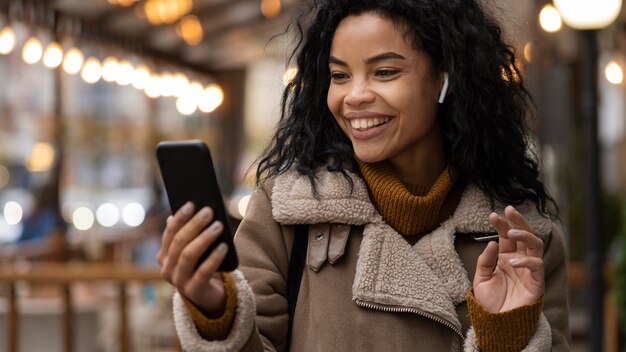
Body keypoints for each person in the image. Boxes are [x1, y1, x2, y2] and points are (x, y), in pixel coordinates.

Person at [157, 0, 571, 351]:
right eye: (339, 75)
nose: (353, 96)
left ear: (445, 78)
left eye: (385, 72)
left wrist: (505, 334)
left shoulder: (523, 239)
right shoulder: (286, 212)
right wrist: (215, 310)